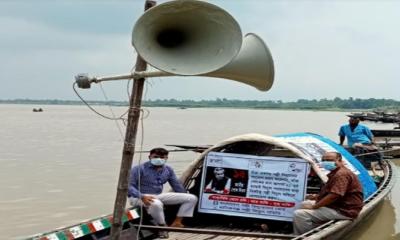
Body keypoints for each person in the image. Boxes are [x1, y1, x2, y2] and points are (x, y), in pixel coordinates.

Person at [128, 147, 197, 236]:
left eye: (162, 158)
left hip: (158, 195)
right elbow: (129, 186)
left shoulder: (168, 170)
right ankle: (162, 226)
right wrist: (142, 196)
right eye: (155, 157)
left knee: (191, 198)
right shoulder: (139, 169)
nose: (158, 159)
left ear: (166, 158)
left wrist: (183, 195)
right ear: (150, 157)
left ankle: (177, 222)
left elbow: (176, 186)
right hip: (138, 197)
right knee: (156, 204)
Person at [292, 152, 363, 235]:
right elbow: (333, 191)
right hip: (337, 205)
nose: (326, 162)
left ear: (339, 160)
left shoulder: (341, 174)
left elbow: (334, 195)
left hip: (344, 210)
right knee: (304, 204)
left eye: (329, 160)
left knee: (299, 214)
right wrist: (317, 197)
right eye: (324, 160)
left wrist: (315, 206)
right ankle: (315, 226)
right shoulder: (336, 172)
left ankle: (308, 236)